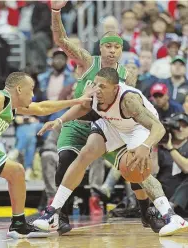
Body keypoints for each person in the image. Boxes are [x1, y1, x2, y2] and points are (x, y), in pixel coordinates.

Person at [34, 67, 188, 237]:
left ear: (115, 88)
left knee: (136, 169)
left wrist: (145, 146)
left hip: (138, 127)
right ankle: (53, 213)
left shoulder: (129, 100)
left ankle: (171, 216)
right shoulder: (94, 92)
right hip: (113, 125)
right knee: (85, 154)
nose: (98, 90)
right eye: (97, 85)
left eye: (103, 87)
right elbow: (84, 108)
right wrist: (60, 120)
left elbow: (158, 128)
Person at [47, 0, 157, 236]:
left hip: (107, 126)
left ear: (121, 50)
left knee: (132, 165)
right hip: (78, 123)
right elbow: (61, 40)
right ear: (100, 48)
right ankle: (61, 216)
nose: (112, 51)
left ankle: (146, 211)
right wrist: (56, 12)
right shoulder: (88, 61)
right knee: (64, 162)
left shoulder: (128, 73)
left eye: (116, 47)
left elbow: (127, 107)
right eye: (107, 46)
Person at [0, 72, 91, 239]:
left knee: (16, 171)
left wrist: (77, 101)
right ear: (19, 89)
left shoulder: (10, 106)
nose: (33, 94)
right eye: (31, 89)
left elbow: (42, 108)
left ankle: (18, 225)